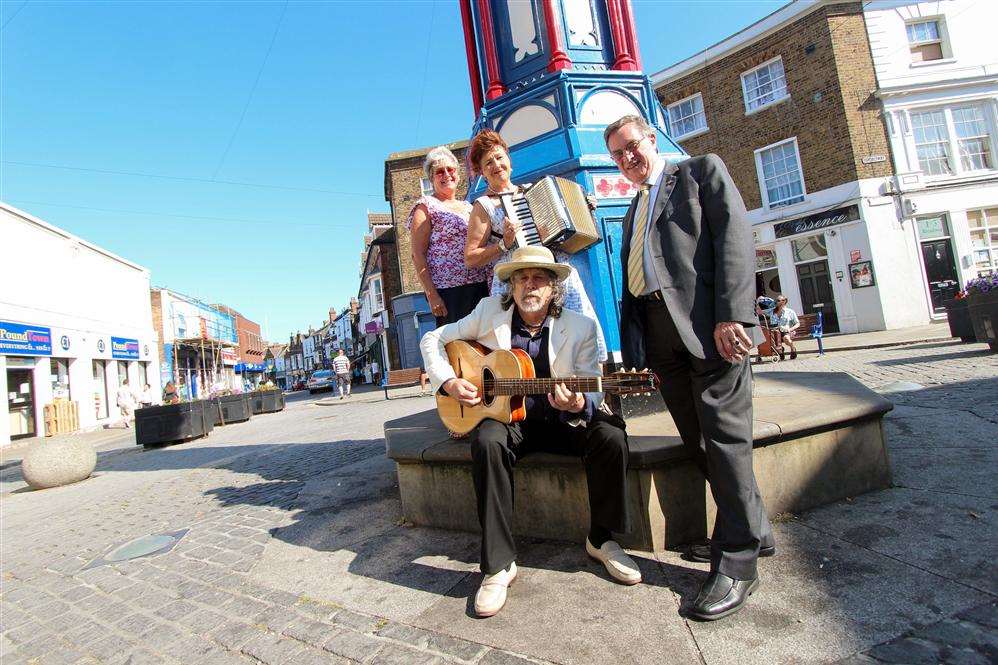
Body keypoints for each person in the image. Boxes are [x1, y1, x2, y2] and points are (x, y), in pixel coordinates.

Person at [605, 114, 774, 621]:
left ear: (650, 140)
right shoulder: (634, 206)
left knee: (725, 440)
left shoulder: (700, 172)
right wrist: (637, 348)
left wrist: (732, 315)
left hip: (708, 327)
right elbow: (637, 276)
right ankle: (752, 531)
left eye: (632, 146)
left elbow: (734, 241)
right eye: (617, 154)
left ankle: (738, 563)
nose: (627, 158)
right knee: (699, 442)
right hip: (661, 338)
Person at [420, 246, 639, 618]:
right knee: (486, 443)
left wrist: (578, 404)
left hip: (561, 423)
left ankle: (602, 539)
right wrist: (450, 382)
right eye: (521, 278)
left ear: (554, 288)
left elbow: (595, 386)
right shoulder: (490, 312)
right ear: (511, 285)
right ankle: (498, 564)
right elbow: (433, 339)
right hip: (511, 423)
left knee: (611, 436)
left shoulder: (581, 326)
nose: (529, 285)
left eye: (538, 278)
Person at [463, 129, 608, 361]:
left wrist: (582, 209)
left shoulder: (534, 191)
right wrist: (503, 244)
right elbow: (470, 258)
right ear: (482, 172)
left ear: (509, 161)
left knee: (576, 328)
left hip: (556, 270)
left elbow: (564, 233)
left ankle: (588, 385)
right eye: (488, 162)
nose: (496, 164)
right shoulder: (483, 206)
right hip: (518, 279)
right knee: (522, 342)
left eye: (500, 157)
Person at [409, 146, 492, 326]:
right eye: (439, 171)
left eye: (450, 169)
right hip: (449, 293)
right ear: (431, 178)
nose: (446, 174)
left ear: (458, 173)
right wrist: (432, 295)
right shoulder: (425, 206)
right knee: (459, 348)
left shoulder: (469, 207)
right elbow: (417, 254)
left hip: (480, 285)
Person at [757, 295, 800, 360]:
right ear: (776, 302)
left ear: (785, 301)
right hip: (775, 331)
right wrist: (757, 302)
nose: (780, 302)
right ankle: (780, 351)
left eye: (782, 300)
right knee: (770, 340)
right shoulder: (772, 311)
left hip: (786, 331)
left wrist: (790, 329)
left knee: (786, 339)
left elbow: (797, 323)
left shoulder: (790, 312)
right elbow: (759, 312)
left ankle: (793, 348)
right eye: (778, 301)